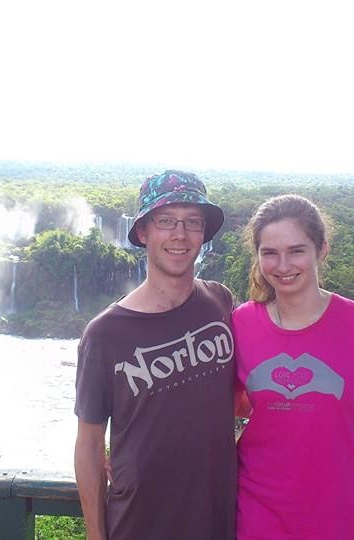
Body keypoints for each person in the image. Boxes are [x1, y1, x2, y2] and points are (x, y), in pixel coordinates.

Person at [232, 194, 354, 540]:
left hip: (341, 515)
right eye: (269, 252)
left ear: (322, 250)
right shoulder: (241, 323)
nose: (283, 265)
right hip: (258, 513)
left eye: (297, 250)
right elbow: (212, 413)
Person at [74, 170, 237, 540]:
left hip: (217, 518)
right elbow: (88, 445)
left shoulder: (220, 302)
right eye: (165, 221)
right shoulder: (104, 334)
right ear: (143, 232)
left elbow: (240, 392)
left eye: (192, 222)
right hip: (140, 523)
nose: (179, 234)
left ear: (204, 234)